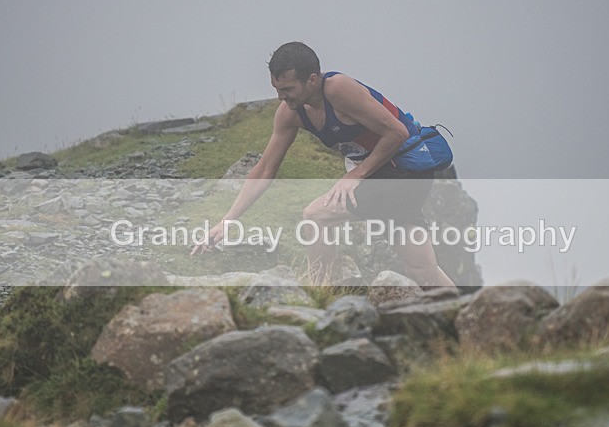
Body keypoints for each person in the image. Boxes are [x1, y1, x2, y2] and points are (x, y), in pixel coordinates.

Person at [192, 41, 455, 288]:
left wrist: (356, 175)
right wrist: (227, 222)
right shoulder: (290, 113)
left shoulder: (339, 89)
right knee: (422, 269)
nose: (282, 97)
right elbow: (264, 170)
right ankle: (463, 315)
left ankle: (320, 289)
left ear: (312, 79)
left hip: (405, 172)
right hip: (389, 177)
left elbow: (397, 133)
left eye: (288, 89)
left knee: (316, 216)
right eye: (277, 89)